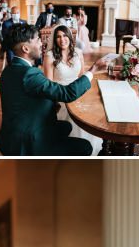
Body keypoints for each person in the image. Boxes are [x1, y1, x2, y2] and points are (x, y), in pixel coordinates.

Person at [0, 23, 103, 156]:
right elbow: (68, 93)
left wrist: (51, 105)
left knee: (66, 126)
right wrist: (93, 69)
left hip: (12, 133)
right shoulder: (30, 74)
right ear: (25, 48)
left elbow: (25, 98)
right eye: (38, 40)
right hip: (29, 142)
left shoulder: (9, 70)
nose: (42, 44)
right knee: (85, 146)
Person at [43, 25, 102, 155]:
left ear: (69, 37)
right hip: (61, 94)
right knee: (73, 116)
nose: (62, 39)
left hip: (78, 91)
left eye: (64, 36)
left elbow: (81, 76)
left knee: (91, 114)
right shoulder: (50, 56)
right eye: (58, 37)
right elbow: (49, 85)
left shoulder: (78, 53)